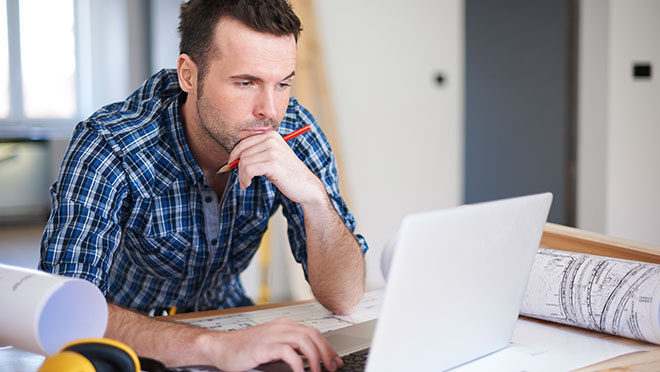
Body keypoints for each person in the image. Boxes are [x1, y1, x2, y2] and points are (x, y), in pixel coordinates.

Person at [39, 0, 367, 371]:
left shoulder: (295, 133)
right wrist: (213, 347)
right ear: (188, 75)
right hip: (122, 342)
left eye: (282, 84)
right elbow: (61, 310)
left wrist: (314, 199)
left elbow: (345, 298)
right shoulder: (111, 144)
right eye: (246, 83)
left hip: (230, 323)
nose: (270, 110)